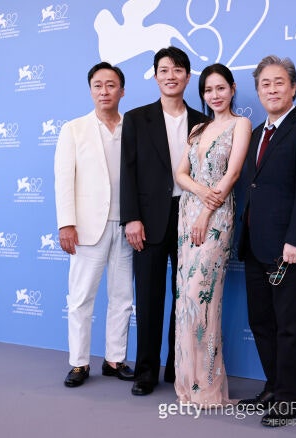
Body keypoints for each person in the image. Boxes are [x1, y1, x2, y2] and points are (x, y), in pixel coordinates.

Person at [236, 55, 296, 427]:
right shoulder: (257, 133)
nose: (272, 90)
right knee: (261, 323)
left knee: (290, 328)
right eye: (265, 84)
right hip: (255, 246)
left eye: (279, 83)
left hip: (289, 250)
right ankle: (273, 387)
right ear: (258, 91)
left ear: (293, 88)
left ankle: (288, 401)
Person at [120, 46, 209, 396]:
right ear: (155, 76)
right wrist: (131, 218)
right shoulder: (136, 118)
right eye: (164, 70)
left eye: (178, 70)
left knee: (185, 297)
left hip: (190, 218)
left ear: (187, 76)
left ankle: (177, 366)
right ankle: (146, 371)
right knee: (149, 296)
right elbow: (127, 172)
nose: (171, 76)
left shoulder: (203, 121)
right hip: (149, 219)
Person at [173, 63, 251, 405]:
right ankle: (187, 384)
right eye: (208, 90)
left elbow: (232, 174)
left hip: (216, 218)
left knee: (201, 297)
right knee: (185, 299)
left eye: (221, 88)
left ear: (232, 89)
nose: (215, 95)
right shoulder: (197, 128)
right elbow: (180, 173)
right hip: (188, 214)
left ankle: (207, 386)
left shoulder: (241, 124)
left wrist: (206, 210)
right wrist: (199, 193)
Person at [54, 62, 135, 387]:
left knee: (122, 297)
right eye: (98, 85)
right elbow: (63, 180)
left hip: (126, 225)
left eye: (111, 85)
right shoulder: (73, 129)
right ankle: (79, 363)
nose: (104, 91)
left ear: (122, 91)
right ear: (90, 90)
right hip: (87, 228)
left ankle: (115, 359)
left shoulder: (132, 128)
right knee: (81, 298)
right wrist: (66, 223)